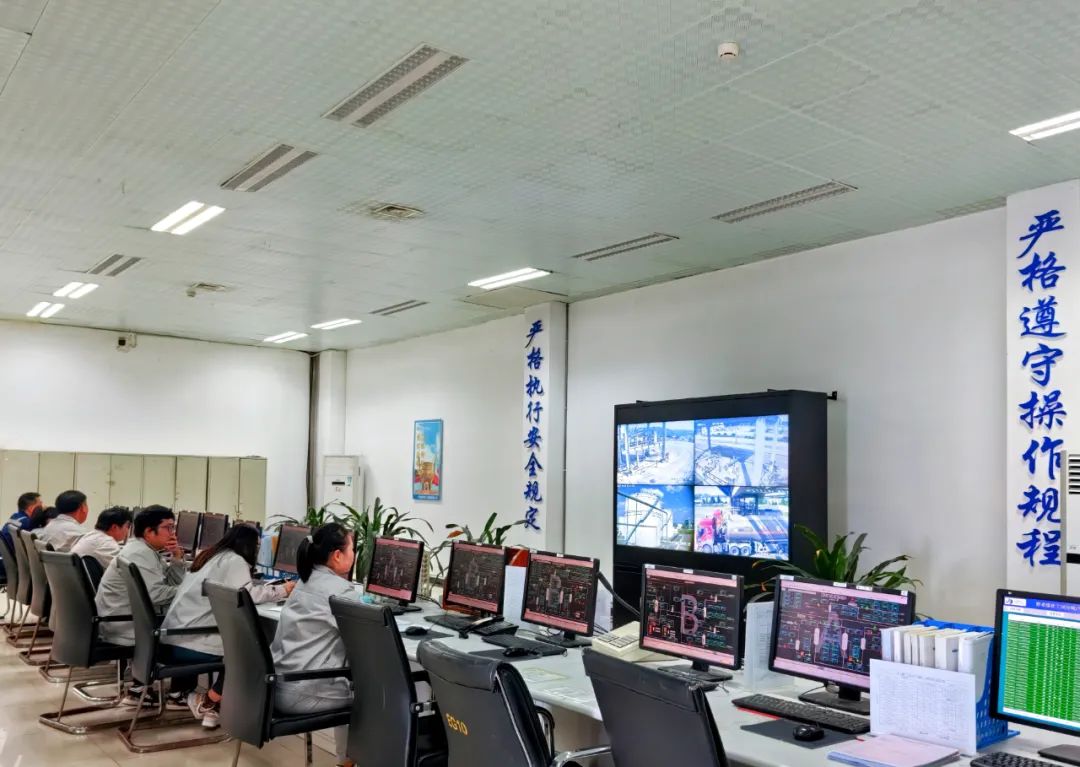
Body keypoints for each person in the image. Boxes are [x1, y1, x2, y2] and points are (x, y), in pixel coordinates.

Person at [161, 524, 294, 729]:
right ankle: (208, 702)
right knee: (250, 655)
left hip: (172, 636)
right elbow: (247, 594)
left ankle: (210, 708)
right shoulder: (235, 561)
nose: (258, 550)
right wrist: (283, 590)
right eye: (257, 546)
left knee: (242, 645)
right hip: (189, 641)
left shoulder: (210, 556)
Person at [270, 523, 357, 767]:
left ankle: (346, 762)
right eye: (352, 549)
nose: (354, 554)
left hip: (277, 687)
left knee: (353, 685)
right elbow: (362, 644)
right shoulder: (341, 591)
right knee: (375, 697)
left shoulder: (303, 582)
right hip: (303, 693)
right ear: (337, 555)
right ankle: (347, 763)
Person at [96, 505, 189, 707]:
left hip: (123, 619)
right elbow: (157, 595)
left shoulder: (143, 550)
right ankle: (178, 694)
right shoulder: (141, 554)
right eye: (168, 528)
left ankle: (140, 687)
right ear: (148, 531)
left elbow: (170, 584)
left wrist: (177, 557)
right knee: (191, 625)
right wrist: (191, 590)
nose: (173, 533)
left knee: (184, 616)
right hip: (125, 624)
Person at [0, 492, 41, 577]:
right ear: (31, 508)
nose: (43, 508)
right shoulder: (27, 523)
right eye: (40, 505)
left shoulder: (16, 516)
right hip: (8, 567)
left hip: (5, 561)